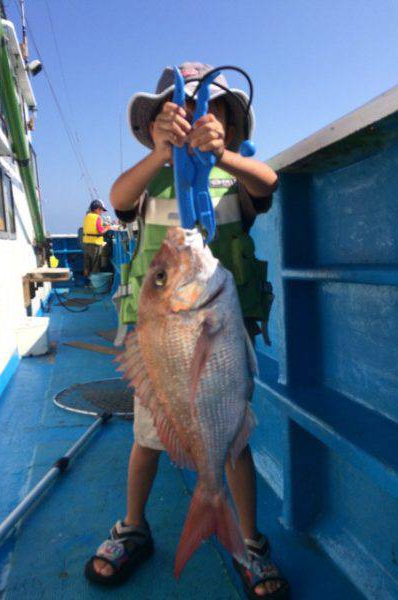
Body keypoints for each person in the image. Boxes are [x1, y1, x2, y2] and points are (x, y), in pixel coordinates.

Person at [85, 63, 289, 599]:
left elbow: (268, 182)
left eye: (210, 112)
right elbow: (119, 196)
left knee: (233, 442)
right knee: (147, 439)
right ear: (155, 124)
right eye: (177, 113)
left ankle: (249, 541)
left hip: (217, 332)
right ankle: (133, 526)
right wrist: (160, 154)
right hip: (163, 345)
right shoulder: (150, 178)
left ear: (228, 124)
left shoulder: (235, 173)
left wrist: (221, 156)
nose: (195, 120)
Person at [82, 199, 112, 280]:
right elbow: (101, 231)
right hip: (95, 245)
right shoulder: (97, 218)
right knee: (95, 264)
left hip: (86, 244)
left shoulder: (87, 216)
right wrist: (108, 228)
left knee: (87, 264)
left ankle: (86, 282)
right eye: (101, 210)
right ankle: (95, 283)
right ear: (97, 209)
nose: (102, 212)